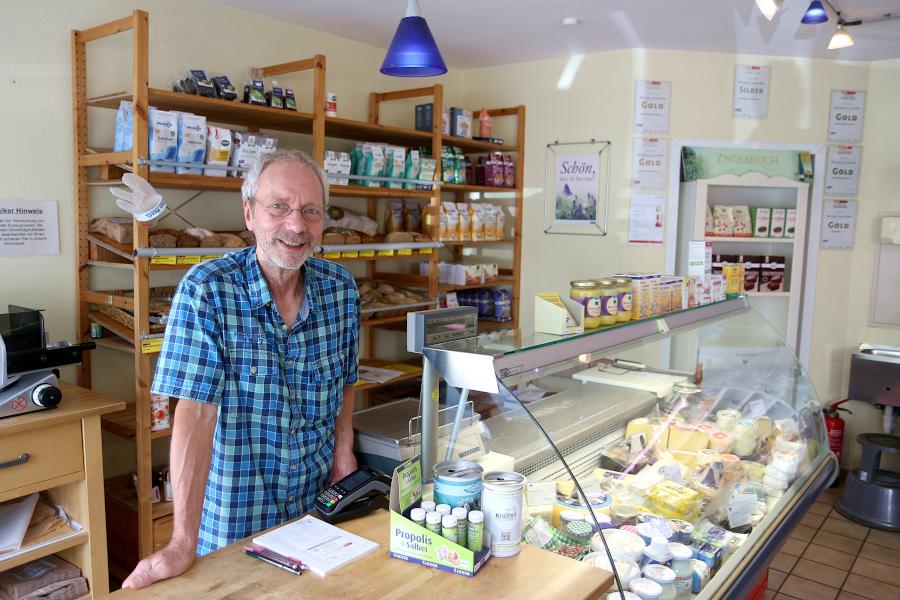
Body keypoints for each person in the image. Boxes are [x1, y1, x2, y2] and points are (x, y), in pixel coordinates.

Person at [122, 150, 360, 589]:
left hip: (318, 515)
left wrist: (344, 454)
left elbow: (345, 381)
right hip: (236, 523)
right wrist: (180, 542)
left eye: (310, 211)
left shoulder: (340, 290)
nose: (296, 225)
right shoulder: (207, 291)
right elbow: (195, 415)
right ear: (249, 212)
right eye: (279, 207)